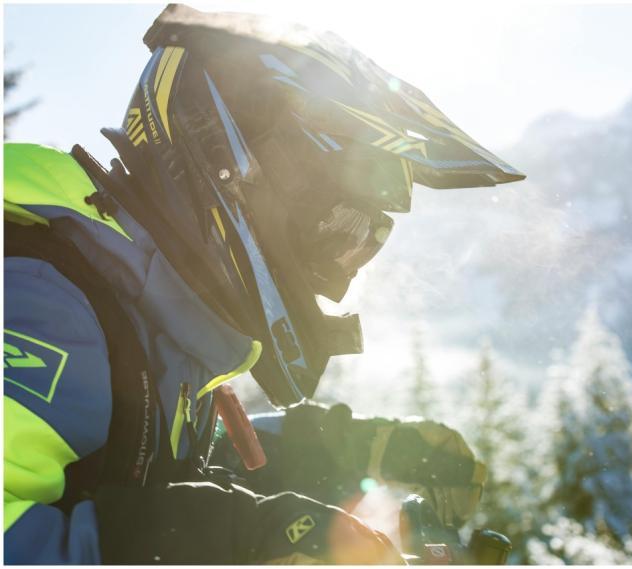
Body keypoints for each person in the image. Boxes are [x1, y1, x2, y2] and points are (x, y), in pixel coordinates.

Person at [4, 4, 524, 564]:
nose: (342, 271)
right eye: (347, 224)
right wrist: (241, 537)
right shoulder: (38, 294)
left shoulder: (148, 310)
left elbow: (154, 471)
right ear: (234, 159)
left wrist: (351, 447)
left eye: (370, 239)